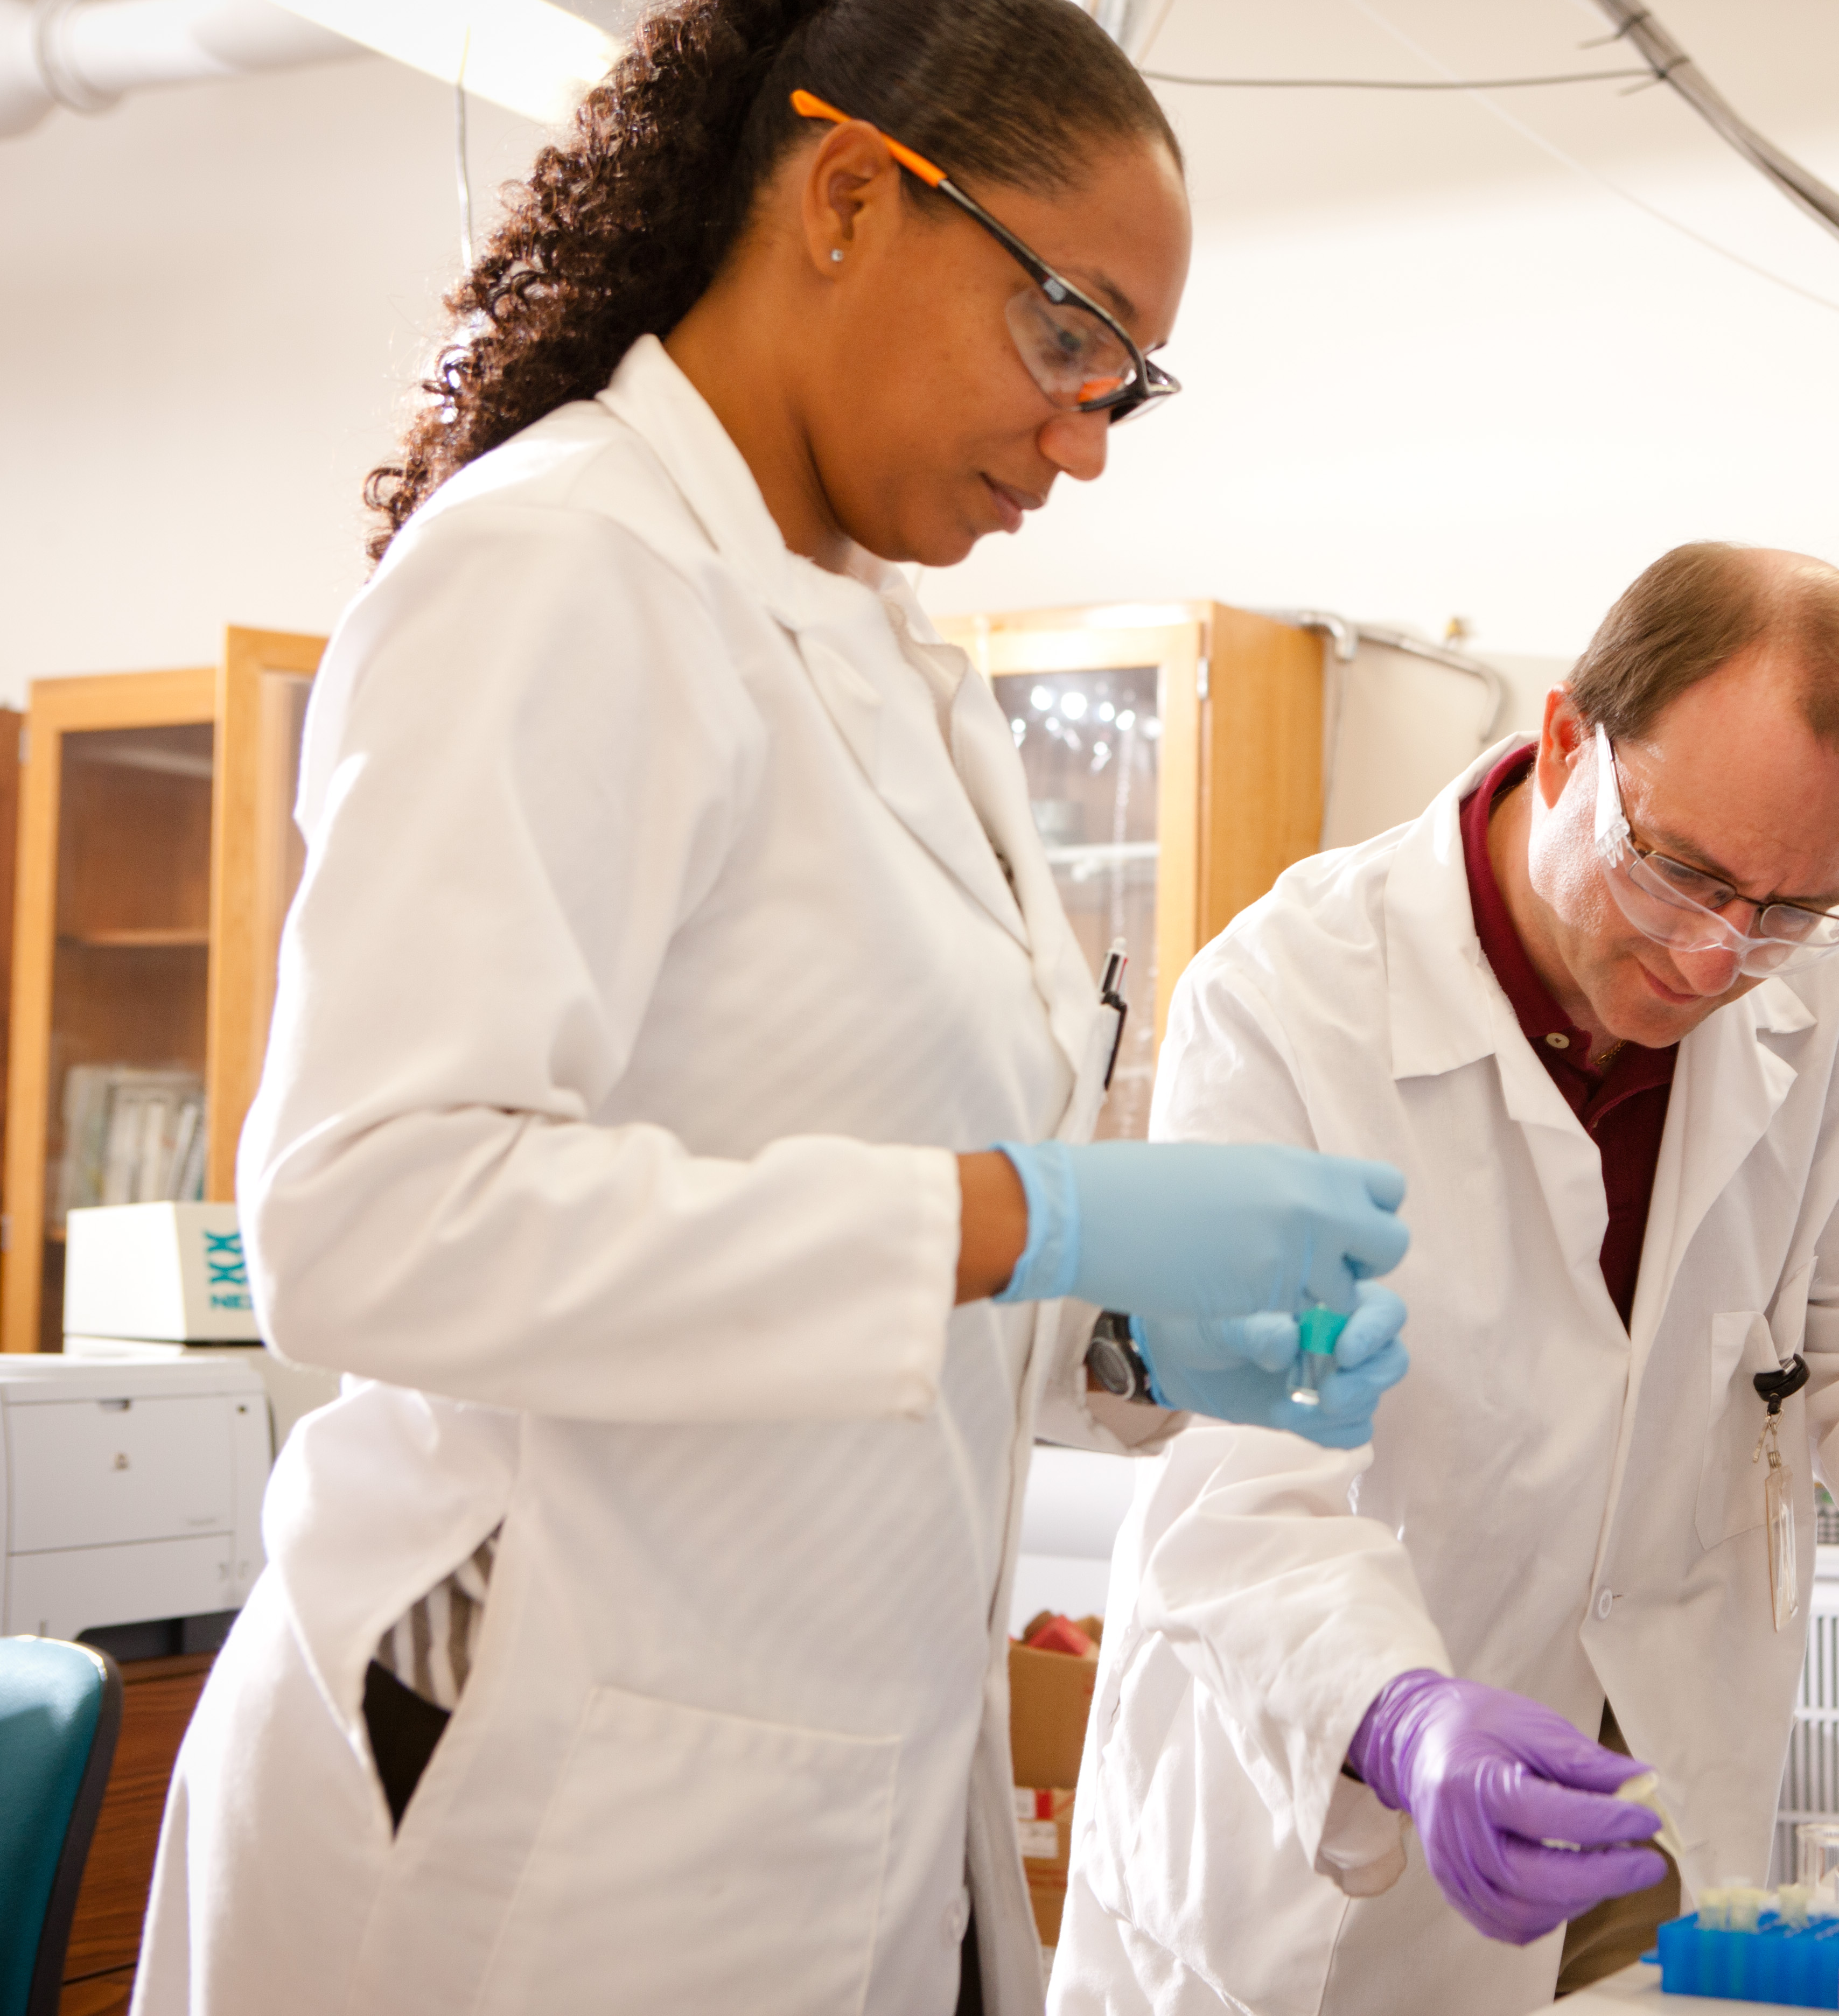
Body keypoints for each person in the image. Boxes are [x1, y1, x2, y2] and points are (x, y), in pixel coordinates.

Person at [135, 6, 1410, 2013]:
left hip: (813, 1794)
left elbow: (830, 1215)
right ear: (846, 199)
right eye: (1066, 333)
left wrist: (1122, 1325)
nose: (1085, 437)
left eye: (1125, 382)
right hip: (533, 1797)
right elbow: (364, 1223)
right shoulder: (561, 565)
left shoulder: (886, 653)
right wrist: (1029, 1214)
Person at [1045, 545, 1839, 2015]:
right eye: (1683, 873)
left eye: (1793, 907)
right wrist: (1399, 1719)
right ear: (1568, 743)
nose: (1715, 955)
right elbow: (1238, 1474)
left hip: (1646, 1814)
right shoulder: (1291, 999)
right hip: (1331, 1841)